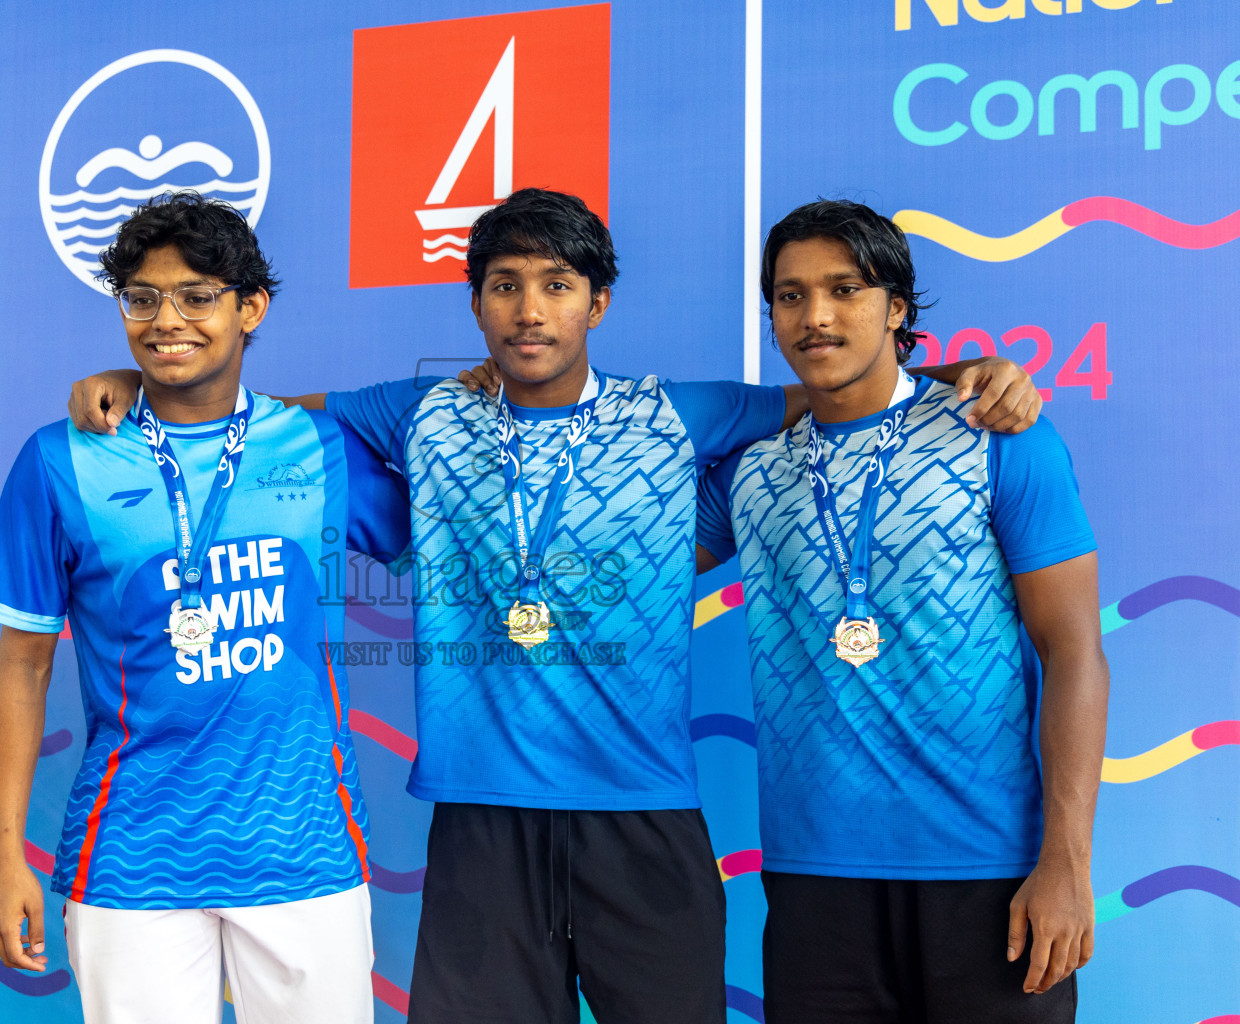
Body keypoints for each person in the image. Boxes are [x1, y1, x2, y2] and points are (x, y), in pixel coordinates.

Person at [67, 188, 1041, 1024]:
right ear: (476, 302)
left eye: (557, 285)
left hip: (645, 818)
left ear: (598, 301)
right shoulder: (421, 411)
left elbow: (847, 392)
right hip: (484, 825)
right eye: (504, 285)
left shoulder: (679, 412)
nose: (529, 310)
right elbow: (255, 414)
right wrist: (144, 380)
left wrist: (965, 376)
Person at [0, 192, 406, 1024]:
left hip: (302, 850)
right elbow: (24, 667)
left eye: (198, 296)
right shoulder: (60, 460)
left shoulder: (321, 449)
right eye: (142, 299)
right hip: (133, 858)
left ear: (251, 308)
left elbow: (446, 509)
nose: (166, 320)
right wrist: (5, 859)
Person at [696, 199, 1106, 1024]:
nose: (815, 316)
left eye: (846, 290)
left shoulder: (999, 434)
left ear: (898, 308)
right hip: (815, 884)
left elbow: (1074, 651)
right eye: (790, 295)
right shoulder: (745, 470)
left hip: (992, 875)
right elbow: (622, 576)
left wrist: (1066, 861)